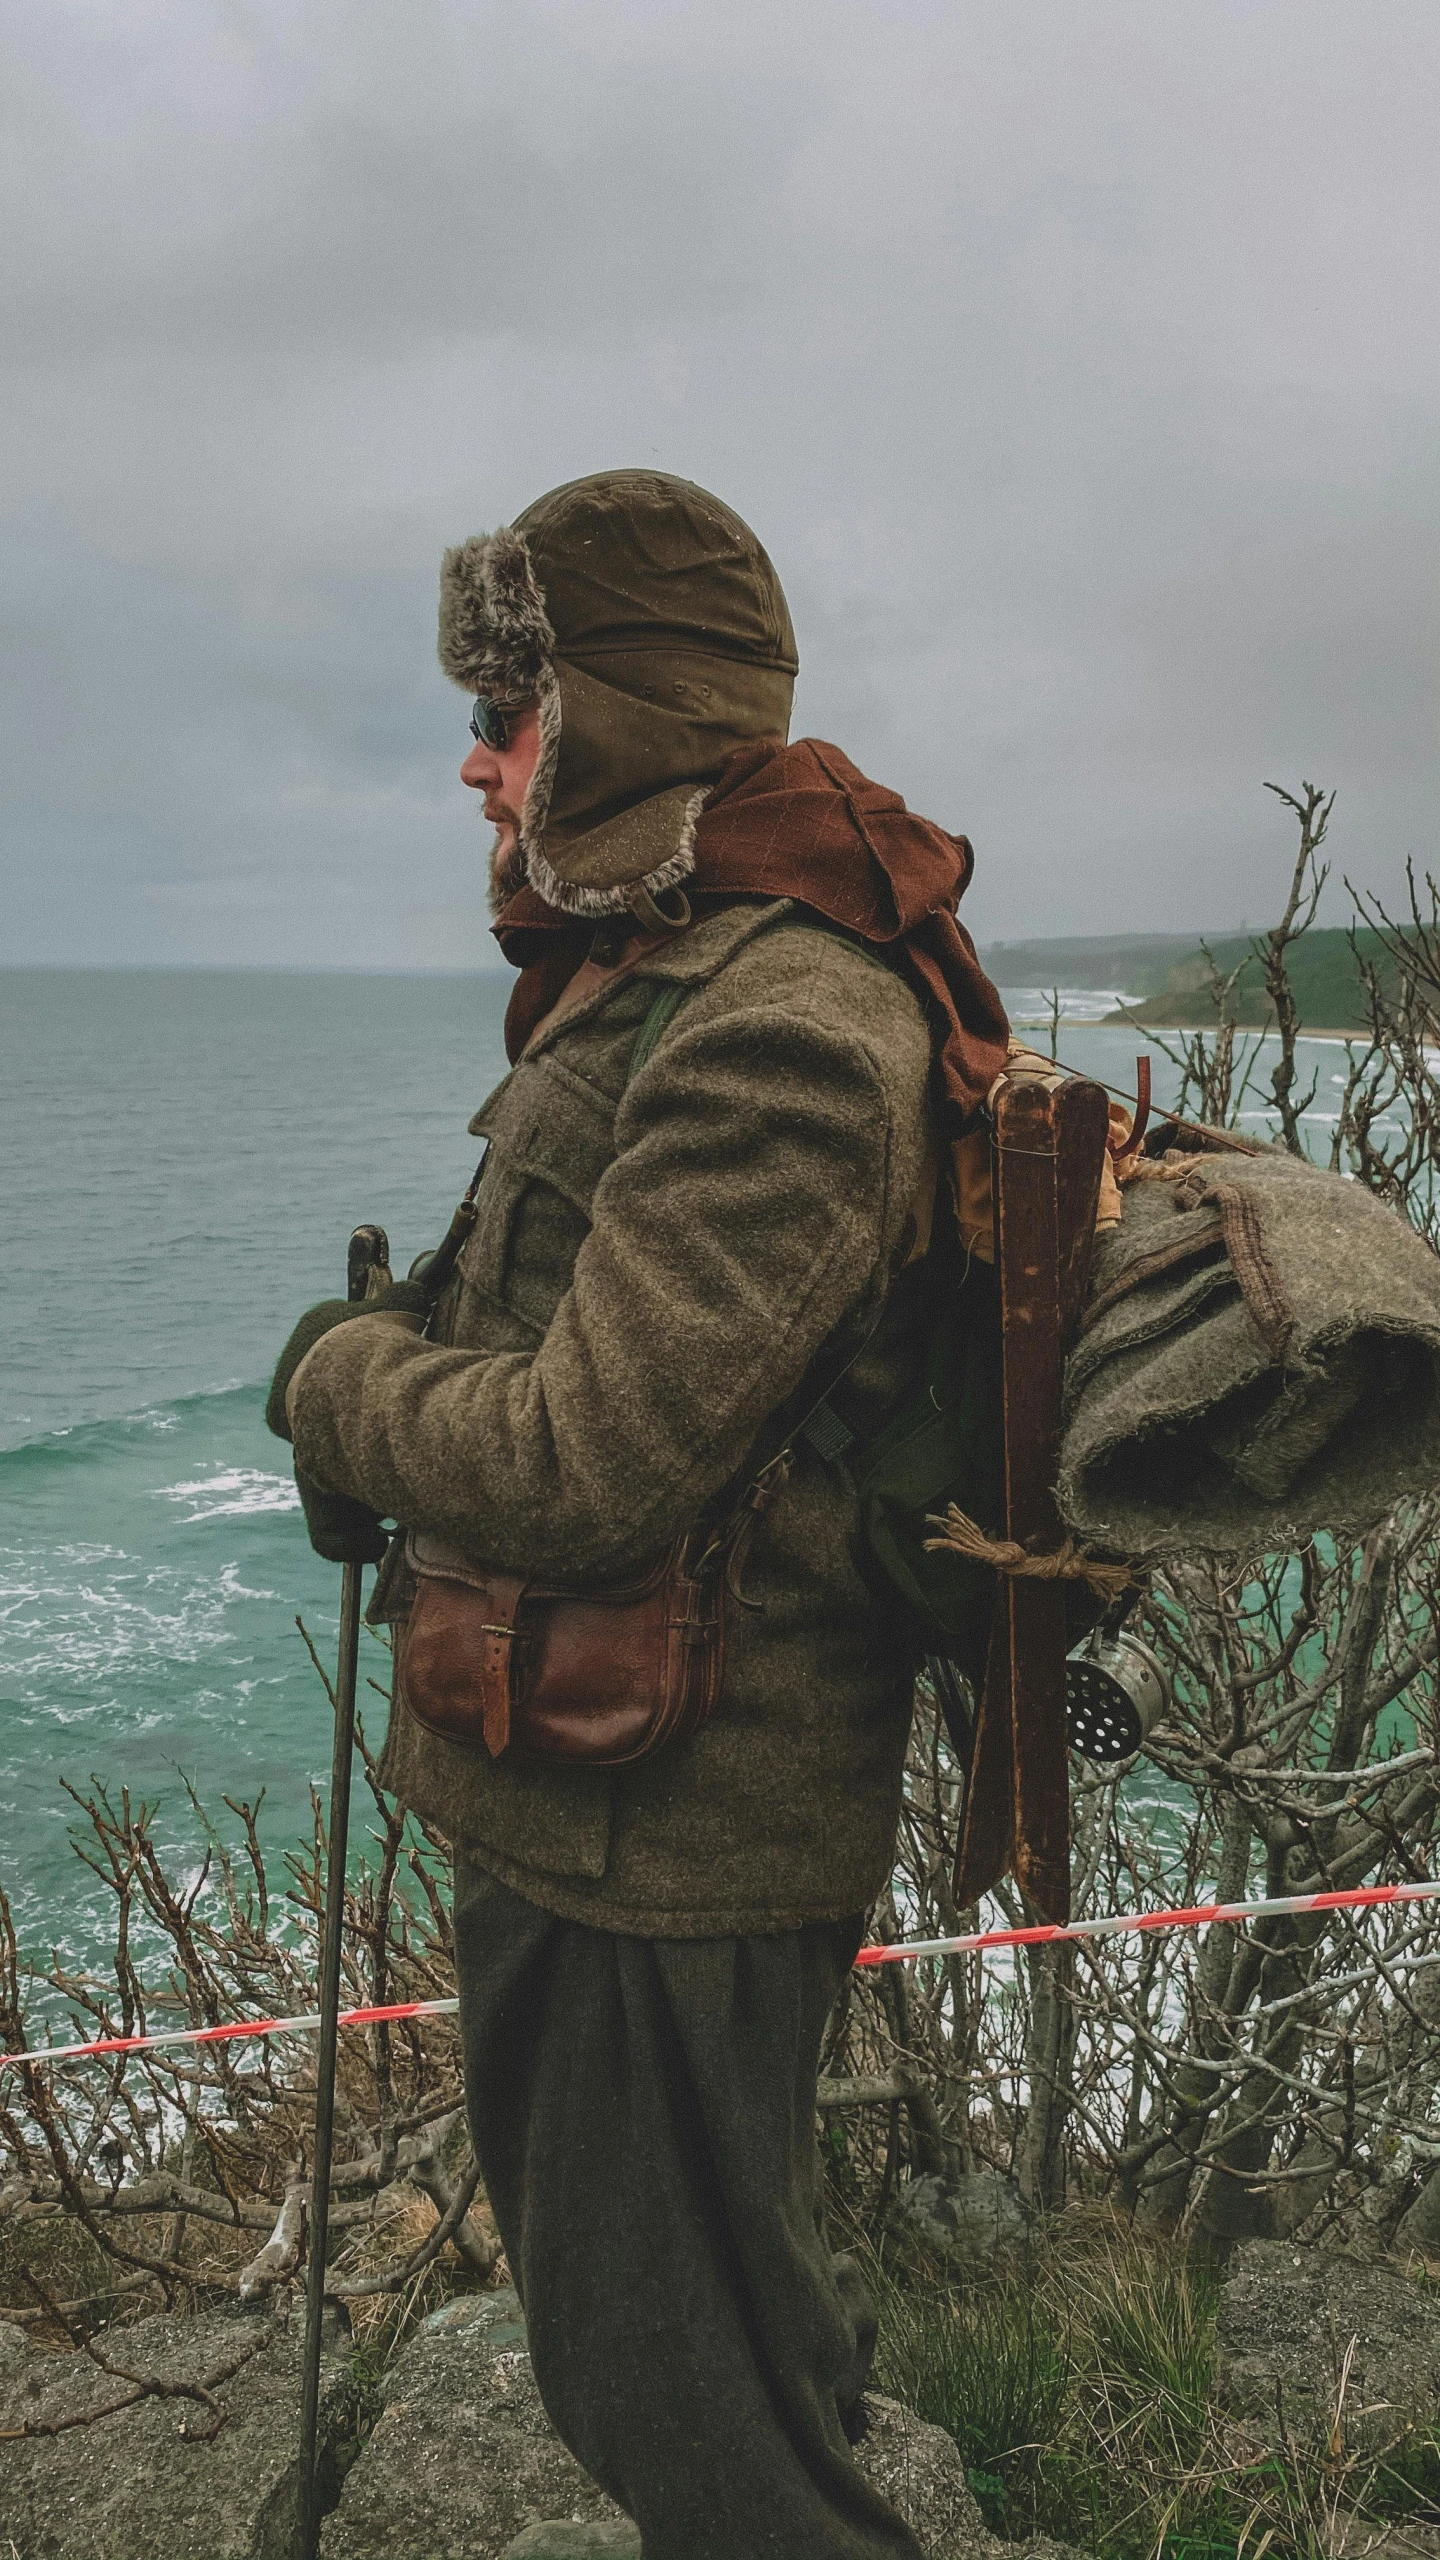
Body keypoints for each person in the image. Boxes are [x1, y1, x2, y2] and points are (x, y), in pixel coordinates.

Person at [270, 470, 1011, 2559]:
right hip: (604, 1803)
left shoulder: (782, 1018)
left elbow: (588, 1462)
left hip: (668, 1842)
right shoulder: (666, 962)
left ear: (621, 714)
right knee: (734, 2347)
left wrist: (332, 1384)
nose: (477, 759)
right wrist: (414, 1347)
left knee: (659, 2391)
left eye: (513, 707)